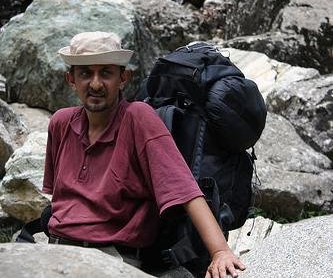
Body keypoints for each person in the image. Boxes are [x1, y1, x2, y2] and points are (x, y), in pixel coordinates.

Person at [42, 31, 245, 278]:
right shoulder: (61, 123)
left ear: (123, 78)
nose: (95, 84)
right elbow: (61, 200)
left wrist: (220, 252)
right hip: (56, 251)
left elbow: (185, 190)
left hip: (111, 258)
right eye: (85, 73)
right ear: (70, 79)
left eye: (106, 73)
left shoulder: (138, 118)